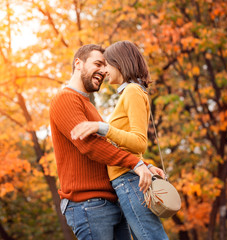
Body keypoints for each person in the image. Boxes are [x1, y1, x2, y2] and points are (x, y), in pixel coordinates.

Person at [49, 44, 154, 240]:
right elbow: (90, 145)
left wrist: (146, 166)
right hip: (88, 204)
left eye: (106, 66)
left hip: (110, 201)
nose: (103, 71)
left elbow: (109, 149)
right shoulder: (65, 99)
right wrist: (136, 163)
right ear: (78, 63)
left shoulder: (89, 107)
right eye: (98, 63)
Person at [71, 41, 169, 240]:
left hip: (129, 180)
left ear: (120, 64)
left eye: (107, 64)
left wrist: (103, 128)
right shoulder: (130, 93)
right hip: (127, 179)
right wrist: (147, 165)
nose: (104, 70)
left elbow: (139, 142)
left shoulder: (132, 91)